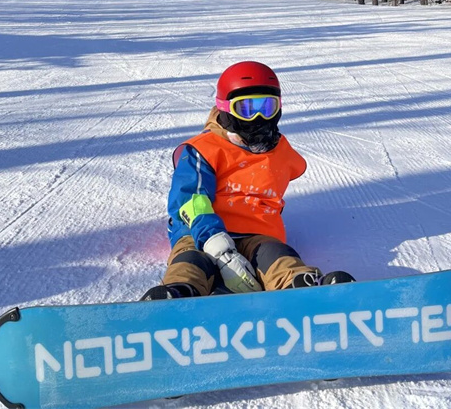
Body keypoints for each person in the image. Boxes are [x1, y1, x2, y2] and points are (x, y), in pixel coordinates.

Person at [142, 61, 354, 301]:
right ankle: (176, 294)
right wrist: (217, 247)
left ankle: (305, 289)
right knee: (191, 261)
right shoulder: (204, 151)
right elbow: (190, 200)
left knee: (276, 255)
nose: (258, 117)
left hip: (255, 233)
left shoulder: (278, 150)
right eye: (246, 108)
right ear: (225, 109)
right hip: (199, 233)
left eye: (267, 107)